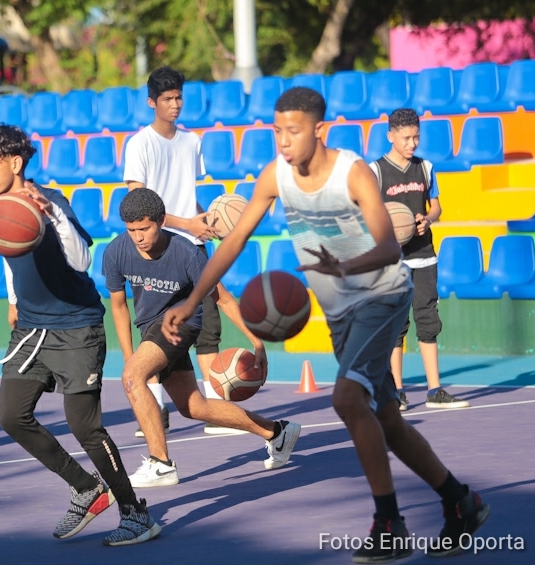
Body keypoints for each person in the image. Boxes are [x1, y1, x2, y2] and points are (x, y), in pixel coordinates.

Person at [162, 88, 490, 562]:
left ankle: (389, 523)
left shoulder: (351, 172)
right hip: (341, 310)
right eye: (276, 131)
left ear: (319, 130)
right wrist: (192, 300)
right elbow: (233, 243)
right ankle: (461, 502)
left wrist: (341, 266)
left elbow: (387, 246)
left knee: (345, 398)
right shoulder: (276, 175)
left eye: (292, 131)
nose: (283, 140)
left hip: (381, 296)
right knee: (386, 421)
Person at [0, 124, 160, 546]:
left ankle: (135, 513)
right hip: (31, 328)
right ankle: (86, 488)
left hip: (76, 327)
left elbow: (81, 259)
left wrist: (51, 215)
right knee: (11, 415)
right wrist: (14, 296)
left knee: (83, 426)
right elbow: (8, 252)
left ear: (15, 163)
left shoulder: (51, 201)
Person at [103, 188, 301, 489]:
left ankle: (161, 464)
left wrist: (257, 341)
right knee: (193, 406)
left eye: (144, 228)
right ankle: (276, 432)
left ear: (160, 221)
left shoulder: (185, 253)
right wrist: (130, 354)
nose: (138, 236)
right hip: (151, 329)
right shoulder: (117, 251)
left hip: (181, 324)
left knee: (132, 377)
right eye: (132, 230)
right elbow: (118, 306)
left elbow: (223, 299)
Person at [124, 65, 241, 436]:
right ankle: (154, 412)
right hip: (156, 249)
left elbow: (186, 195)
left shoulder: (192, 142)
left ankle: (212, 408)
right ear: (151, 102)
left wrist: (208, 221)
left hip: (191, 243)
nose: (175, 105)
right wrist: (185, 223)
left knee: (208, 328)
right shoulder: (139, 143)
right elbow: (136, 201)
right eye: (168, 99)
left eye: (179, 98)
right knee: (153, 330)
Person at [370, 108, 469, 412]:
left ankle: (434, 390)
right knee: (397, 325)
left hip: (424, 255)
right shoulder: (375, 171)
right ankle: (397, 391)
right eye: (406, 138)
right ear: (390, 136)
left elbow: (437, 207)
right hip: (393, 260)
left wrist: (428, 218)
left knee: (428, 320)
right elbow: (367, 213)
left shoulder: (425, 167)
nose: (412, 143)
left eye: (416, 137)